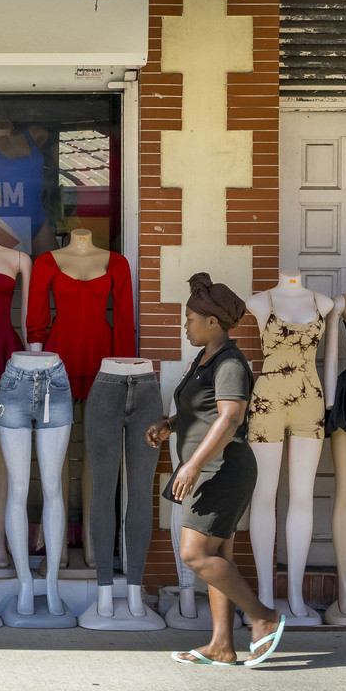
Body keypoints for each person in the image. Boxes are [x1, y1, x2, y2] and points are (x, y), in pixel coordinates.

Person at [147, 274, 285, 668]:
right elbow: (203, 411)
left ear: (212, 322)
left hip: (221, 471)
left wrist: (192, 465)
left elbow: (230, 418)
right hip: (210, 469)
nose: (184, 324)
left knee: (194, 554)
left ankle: (263, 617)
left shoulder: (230, 363)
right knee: (218, 557)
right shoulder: (204, 359)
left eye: (189, 318)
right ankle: (222, 645)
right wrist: (170, 425)